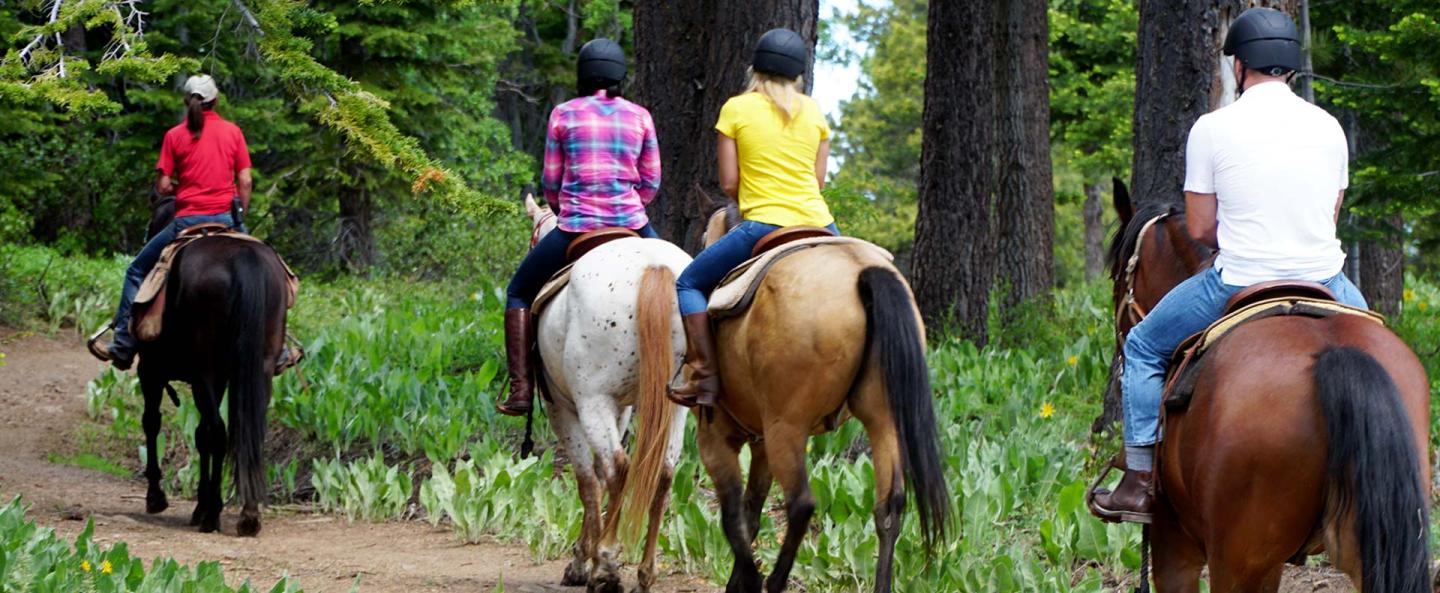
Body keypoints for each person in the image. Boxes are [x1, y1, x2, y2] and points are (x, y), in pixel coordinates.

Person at [1090, 7, 1369, 523]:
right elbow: (1329, 213)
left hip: (1239, 278)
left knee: (1144, 345)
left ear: (1240, 66)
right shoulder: (1329, 126)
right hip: (1326, 279)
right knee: (1379, 354)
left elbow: (1198, 229)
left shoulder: (1213, 127)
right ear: (1289, 64)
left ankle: (1137, 481)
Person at [667, 28, 837, 409]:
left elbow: (729, 183)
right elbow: (818, 181)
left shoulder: (736, 108)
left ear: (754, 70)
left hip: (764, 223)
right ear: (798, 74)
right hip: (820, 224)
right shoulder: (813, 110)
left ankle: (704, 375)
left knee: (689, 283)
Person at [495, 39, 662, 417]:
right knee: (681, 283)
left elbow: (552, 181)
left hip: (576, 228)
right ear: (620, 75)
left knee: (519, 292)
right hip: (632, 224)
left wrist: (561, 208)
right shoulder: (639, 116)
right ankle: (698, 371)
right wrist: (629, 207)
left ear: (582, 74)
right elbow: (651, 181)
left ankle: (521, 389)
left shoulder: (564, 114)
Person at [99, 74, 253, 370]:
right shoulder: (233, 132)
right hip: (226, 219)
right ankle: (280, 344)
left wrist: (177, 185)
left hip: (186, 221)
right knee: (267, 265)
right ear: (215, 100)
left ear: (187, 101)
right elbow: (245, 180)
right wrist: (239, 214)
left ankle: (122, 344)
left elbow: (163, 186)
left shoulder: (174, 136)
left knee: (135, 271)